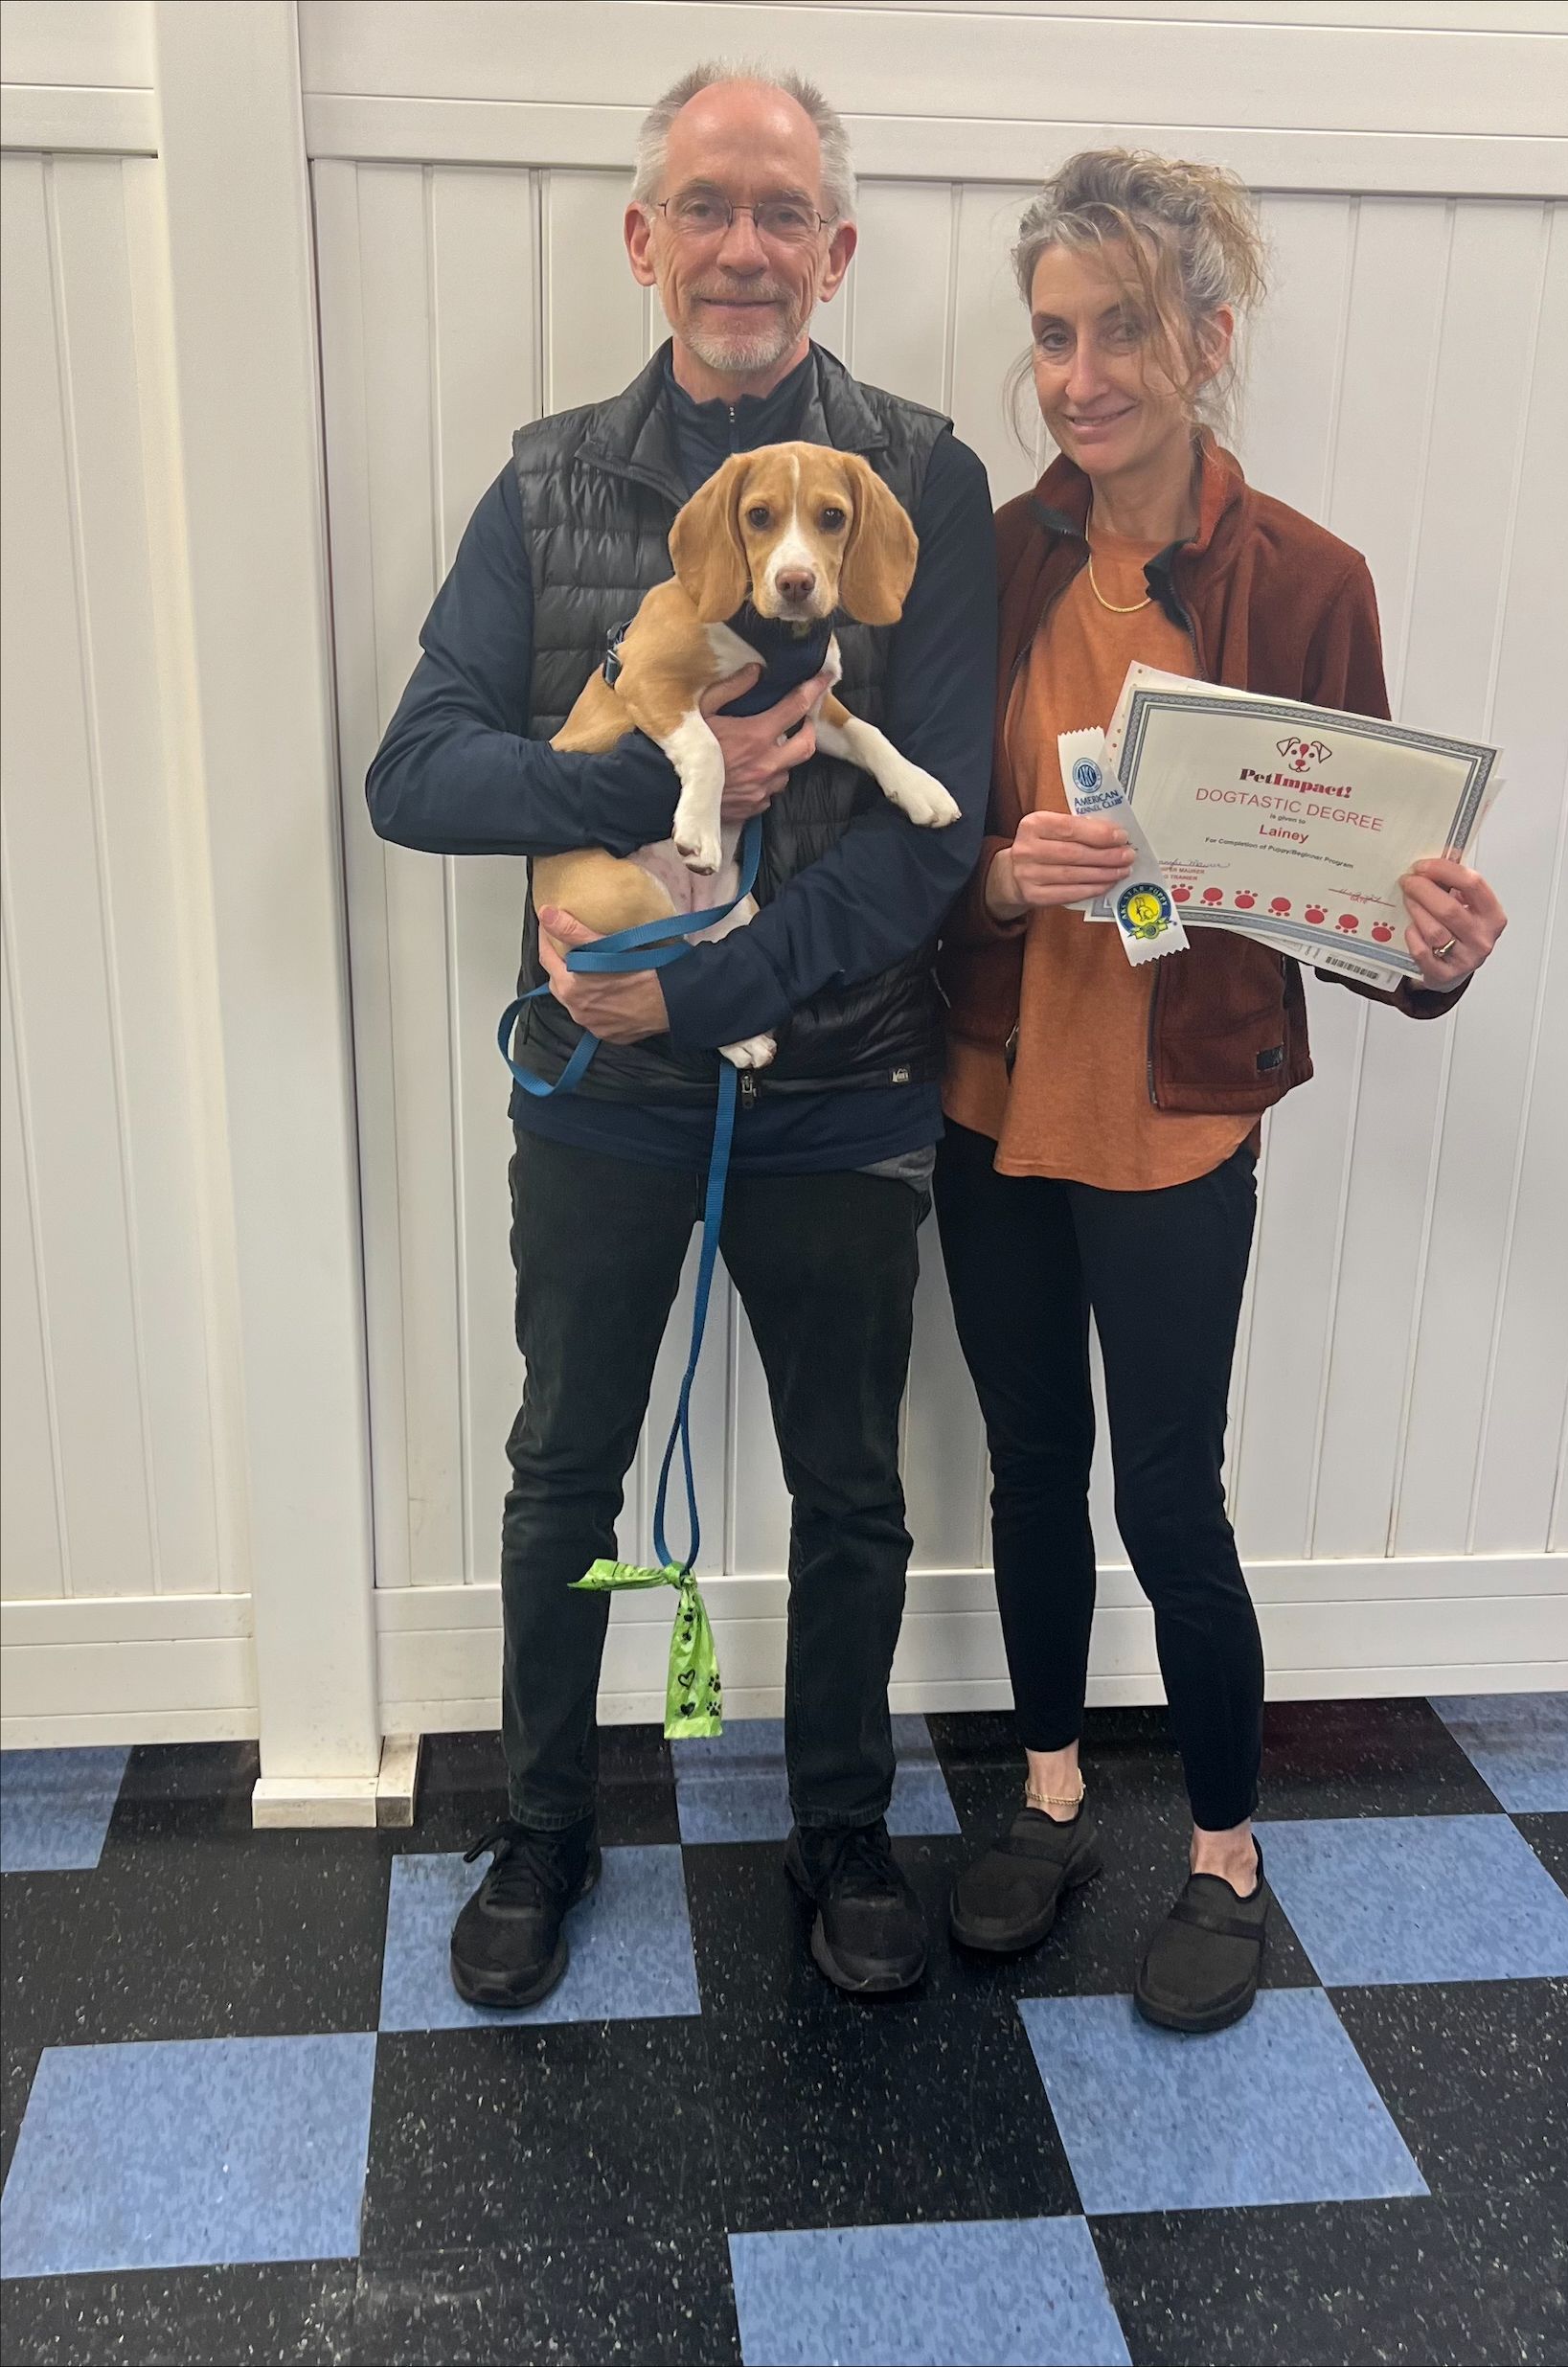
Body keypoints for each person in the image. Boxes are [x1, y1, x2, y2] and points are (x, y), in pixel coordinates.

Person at [366, 63, 994, 2005]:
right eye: (706, 206)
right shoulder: (545, 481)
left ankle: (841, 1832)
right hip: (602, 1091)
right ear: (644, 239)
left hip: (844, 1082)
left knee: (852, 1489)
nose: (743, 247)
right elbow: (418, 774)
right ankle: (543, 1830)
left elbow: (935, 837)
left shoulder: (922, 476)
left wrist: (708, 987)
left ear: (835, 251)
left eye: (780, 210)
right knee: (564, 1466)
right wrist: (657, 773)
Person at [933, 150, 1506, 2034]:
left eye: (1120, 332)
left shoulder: (1307, 582)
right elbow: (916, 850)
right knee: (1032, 1471)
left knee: (1172, 1496)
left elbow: (1353, 901)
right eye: (1052, 337)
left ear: (1208, 338)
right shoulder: (991, 560)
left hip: (1179, 1122)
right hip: (997, 1102)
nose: (1080, 377)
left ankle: (1225, 1854)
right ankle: (1047, 1793)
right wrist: (994, 880)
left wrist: (1432, 946)